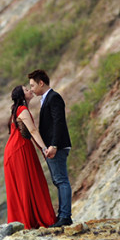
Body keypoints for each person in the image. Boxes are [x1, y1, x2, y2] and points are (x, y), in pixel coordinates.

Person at [3, 85, 56, 229]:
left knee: (26, 183)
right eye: (27, 90)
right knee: (28, 183)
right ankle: (32, 219)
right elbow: (33, 130)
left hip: (17, 149)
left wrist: (40, 148)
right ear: (22, 95)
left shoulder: (17, 110)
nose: (30, 90)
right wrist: (44, 148)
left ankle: (26, 219)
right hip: (19, 150)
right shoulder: (22, 110)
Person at [28, 69, 72, 227]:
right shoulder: (46, 99)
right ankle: (63, 215)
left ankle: (65, 216)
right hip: (54, 146)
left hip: (57, 146)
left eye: (33, 85)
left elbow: (59, 122)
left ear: (41, 83)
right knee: (59, 180)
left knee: (61, 180)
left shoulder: (54, 98)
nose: (31, 89)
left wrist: (53, 145)